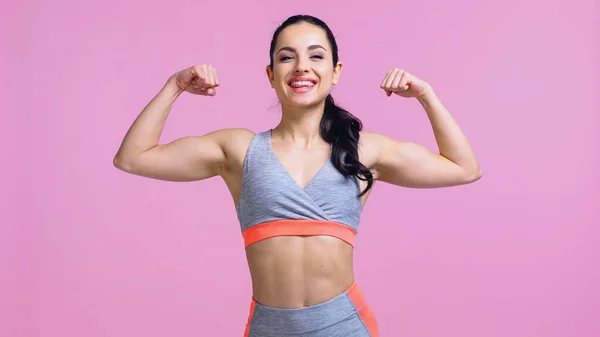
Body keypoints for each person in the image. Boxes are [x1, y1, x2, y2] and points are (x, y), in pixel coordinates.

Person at [113, 14, 481, 337]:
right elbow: (133, 158)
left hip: (346, 326)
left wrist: (425, 96)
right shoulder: (238, 150)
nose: (301, 66)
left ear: (335, 71)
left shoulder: (364, 151)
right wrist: (173, 87)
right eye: (287, 57)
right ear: (271, 75)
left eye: (316, 56)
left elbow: (464, 168)